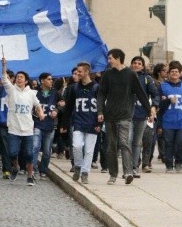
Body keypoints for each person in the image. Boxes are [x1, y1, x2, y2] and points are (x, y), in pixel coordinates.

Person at [97, 48, 152, 185]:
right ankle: (113, 174)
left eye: (110, 58)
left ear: (118, 58)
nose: (109, 61)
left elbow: (140, 93)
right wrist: (100, 111)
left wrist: (149, 110)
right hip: (110, 115)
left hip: (125, 115)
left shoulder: (130, 74)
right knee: (111, 146)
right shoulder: (108, 74)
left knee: (124, 143)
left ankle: (128, 172)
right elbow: (101, 94)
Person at [0, 57, 45, 186]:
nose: (19, 78)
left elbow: (37, 105)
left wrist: (41, 113)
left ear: (26, 81)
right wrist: (4, 65)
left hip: (27, 129)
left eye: (21, 77)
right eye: (17, 76)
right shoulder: (11, 90)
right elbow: (4, 78)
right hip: (13, 128)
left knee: (29, 154)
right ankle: (15, 167)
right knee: (13, 152)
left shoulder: (31, 93)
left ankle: (30, 176)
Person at [62, 61, 102, 184]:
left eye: (79, 71)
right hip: (78, 121)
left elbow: (101, 107)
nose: (77, 74)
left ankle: (85, 172)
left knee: (89, 150)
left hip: (92, 122)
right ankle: (78, 166)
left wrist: (99, 124)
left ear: (87, 72)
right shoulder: (74, 88)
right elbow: (68, 107)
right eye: (76, 72)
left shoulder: (96, 87)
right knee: (77, 146)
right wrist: (64, 124)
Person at [157, 61, 182, 174]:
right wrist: (168, 100)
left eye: (176, 71)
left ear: (180, 73)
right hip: (168, 119)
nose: (174, 73)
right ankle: (169, 165)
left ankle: (178, 161)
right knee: (169, 143)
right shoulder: (163, 86)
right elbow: (159, 104)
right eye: (172, 71)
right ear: (168, 73)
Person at [129, 56, 158, 179]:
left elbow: (155, 94)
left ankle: (134, 167)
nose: (136, 65)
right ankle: (128, 167)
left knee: (136, 142)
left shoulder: (147, 79)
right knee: (128, 140)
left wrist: (153, 107)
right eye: (134, 63)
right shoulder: (126, 76)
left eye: (139, 63)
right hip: (126, 114)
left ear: (142, 66)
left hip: (141, 114)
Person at [33, 72, 62, 178]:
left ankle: (43, 170)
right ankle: (34, 169)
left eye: (51, 79)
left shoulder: (55, 93)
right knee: (35, 146)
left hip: (50, 125)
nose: (51, 81)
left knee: (47, 151)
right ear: (42, 81)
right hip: (37, 123)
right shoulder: (35, 92)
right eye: (49, 79)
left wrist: (57, 110)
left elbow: (62, 103)